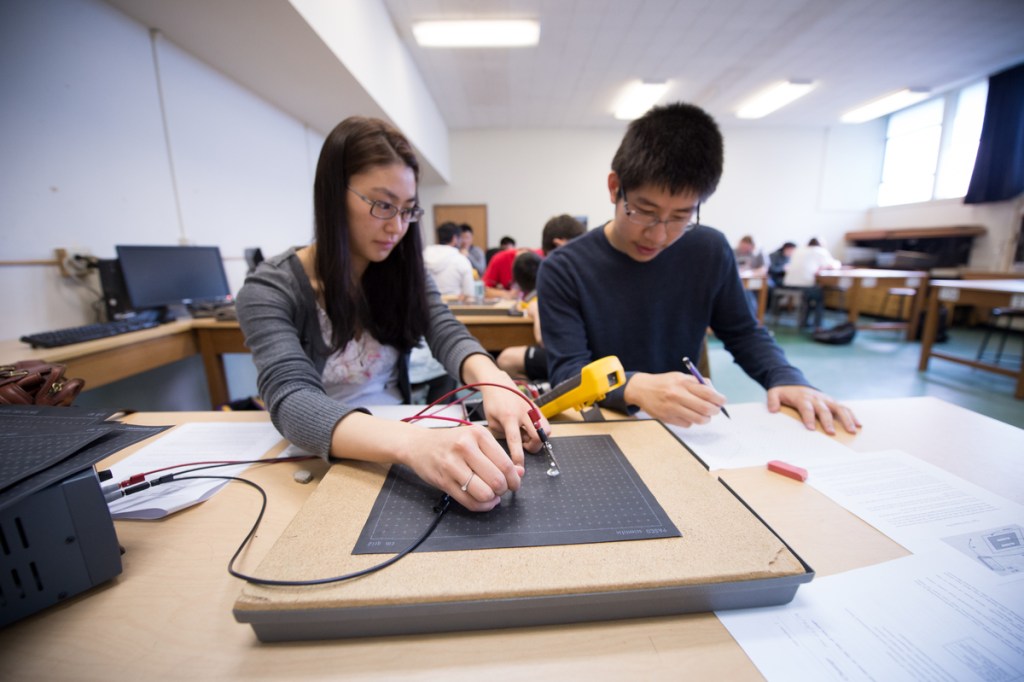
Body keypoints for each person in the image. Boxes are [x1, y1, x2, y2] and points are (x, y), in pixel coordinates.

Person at [236, 116, 548, 512]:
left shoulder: (402, 272)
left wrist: (495, 382)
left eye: (407, 210)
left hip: (398, 443)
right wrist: (414, 444)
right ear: (333, 194)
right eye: (383, 205)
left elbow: (446, 332)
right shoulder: (270, 288)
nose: (397, 227)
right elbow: (292, 399)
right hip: (323, 455)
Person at [537, 103, 859, 435]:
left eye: (680, 217)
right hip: (607, 430)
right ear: (614, 187)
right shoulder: (564, 269)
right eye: (644, 211)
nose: (659, 235)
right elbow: (568, 373)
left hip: (688, 429)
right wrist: (633, 387)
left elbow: (743, 332)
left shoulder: (708, 249)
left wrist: (785, 376)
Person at [496, 214, 585, 380]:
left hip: (578, 363)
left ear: (559, 245)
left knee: (506, 360)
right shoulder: (587, 268)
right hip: (591, 358)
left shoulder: (567, 276)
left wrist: (536, 311)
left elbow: (546, 339)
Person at [782, 238, 842, 329]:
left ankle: (804, 321)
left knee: (808, 295)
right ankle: (818, 325)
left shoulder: (798, 250)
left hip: (788, 283)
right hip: (805, 285)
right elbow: (833, 265)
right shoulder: (820, 251)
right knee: (819, 296)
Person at [423, 221, 474, 299]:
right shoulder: (461, 260)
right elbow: (469, 294)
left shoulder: (422, 256)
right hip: (455, 308)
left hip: (426, 306)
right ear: (454, 238)